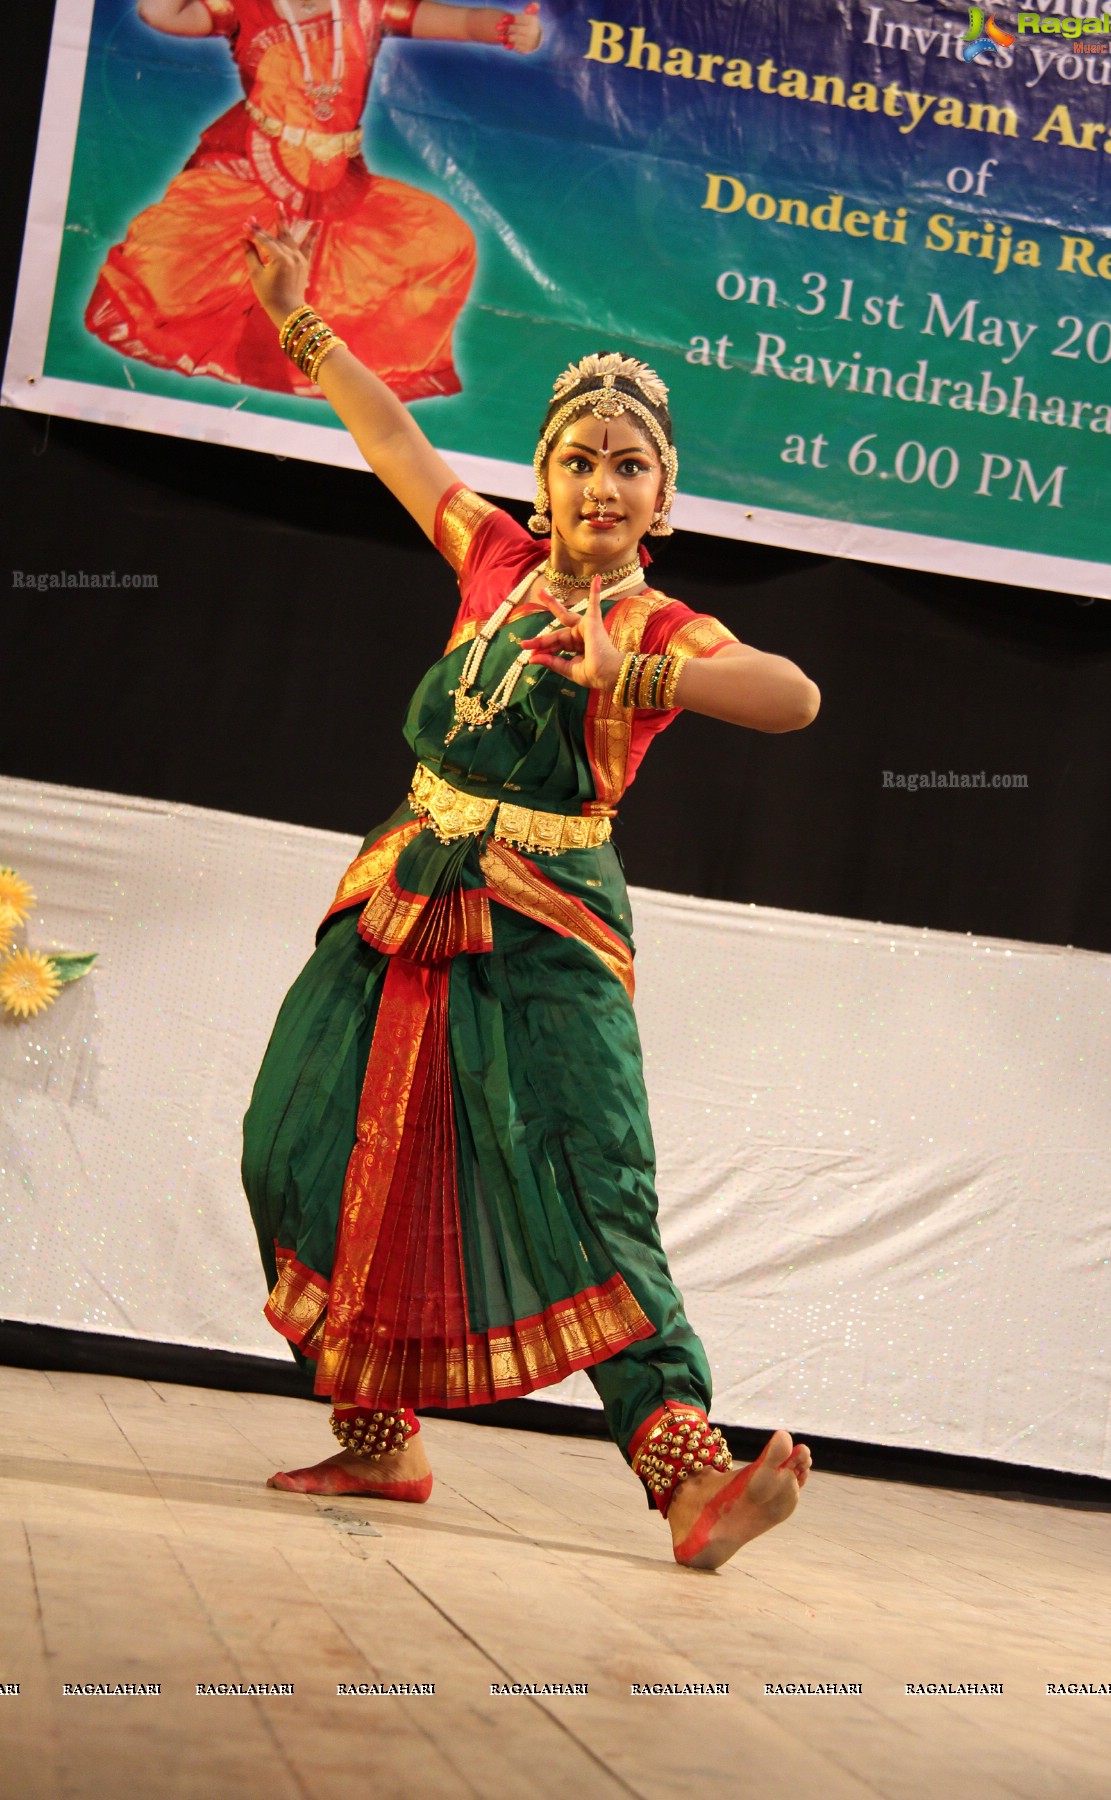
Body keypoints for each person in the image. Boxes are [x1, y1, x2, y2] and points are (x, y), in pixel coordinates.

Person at [238, 212, 822, 1571]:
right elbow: (396, 444)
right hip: (401, 886)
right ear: (543, 481)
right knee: (300, 1143)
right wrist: (300, 322)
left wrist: (646, 675)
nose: (600, 483)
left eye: (630, 466)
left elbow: (795, 697)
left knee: (588, 1180)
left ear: (662, 502)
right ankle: (378, 1439)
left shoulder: (659, 623)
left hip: (546, 921)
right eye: (576, 460)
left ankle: (689, 1475)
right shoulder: (496, 563)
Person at [86, 0, 542, 397]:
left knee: (444, 240)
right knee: (160, 274)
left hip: (337, 182)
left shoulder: (372, 7)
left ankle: (318, 358)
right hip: (245, 171)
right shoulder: (248, 5)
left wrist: (511, 29)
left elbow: (464, 23)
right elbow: (159, 12)